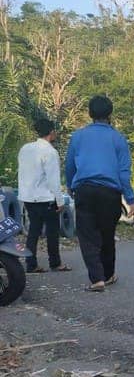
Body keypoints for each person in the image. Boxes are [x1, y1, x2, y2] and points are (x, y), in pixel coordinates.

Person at [66, 95, 134, 292]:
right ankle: (108, 275)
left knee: (88, 235)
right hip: (110, 193)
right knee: (107, 234)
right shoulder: (119, 138)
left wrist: (70, 186)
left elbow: (70, 165)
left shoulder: (78, 136)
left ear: (90, 114)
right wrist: (131, 200)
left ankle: (96, 279)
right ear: (110, 113)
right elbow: (124, 173)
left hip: (85, 190)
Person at [17, 115, 71, 273]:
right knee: (53, 231)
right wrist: (60, 201)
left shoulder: (25, 149)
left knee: (33, 230)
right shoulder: (50, 152)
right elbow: (53, 180)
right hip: (45, 197)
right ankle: (55, 263)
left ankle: (31, 264)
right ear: (51, 132)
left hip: (27, 196)